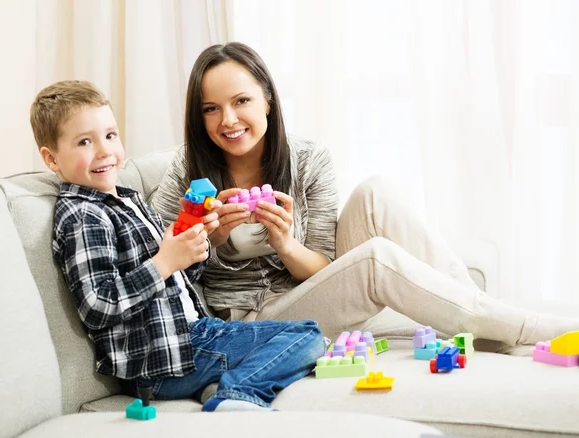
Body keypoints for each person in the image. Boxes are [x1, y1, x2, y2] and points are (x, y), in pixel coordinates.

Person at [152, 41, 579, 350]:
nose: (228, 120)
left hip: (308, 288)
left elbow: (321, 267)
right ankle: (526, 326)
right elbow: (157, 259)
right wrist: (213, 243)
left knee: (376, 190)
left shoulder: (307, 158)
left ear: (267, 100)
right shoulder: (186, 169)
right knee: (375, 258)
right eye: (210, 108)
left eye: (241, 100)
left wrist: (285, 244)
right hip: (248, 320)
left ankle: (481, 313)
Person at [30, 80, 324, 412]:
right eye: (85, 141)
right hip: (163, 360)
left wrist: (200, 241)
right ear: (52, 158)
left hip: (191, 337)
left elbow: (178, 277)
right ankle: (237, 393)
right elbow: (98, 306)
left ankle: (215, 388)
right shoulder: (84, 216)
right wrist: (165, 262)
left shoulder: (127, 200)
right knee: (308, 336)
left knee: (309, 338)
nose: (104, 151)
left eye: (110, 135)